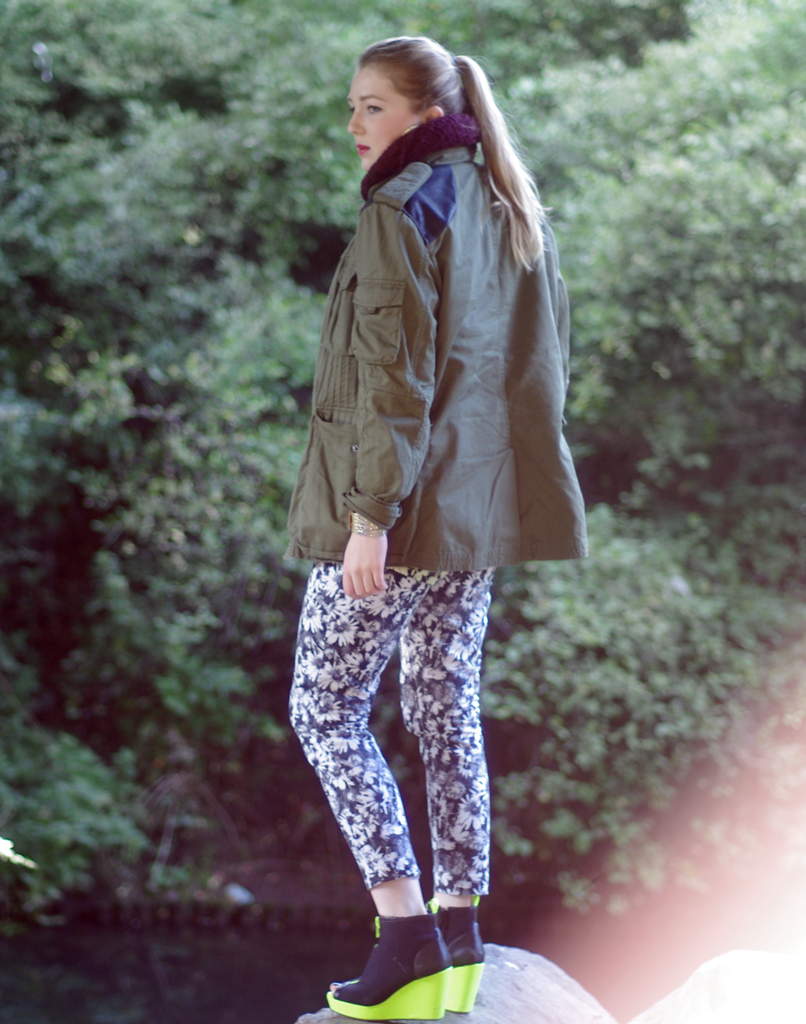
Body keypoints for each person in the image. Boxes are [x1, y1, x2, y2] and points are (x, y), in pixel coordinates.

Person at [285, 35, 587, 1021]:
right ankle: (459, 929)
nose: (352, 123)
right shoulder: (508, 204)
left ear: (423, 115)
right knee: (443, 703)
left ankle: (404, 929)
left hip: (404, 511)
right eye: (350, 105)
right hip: (476, 512)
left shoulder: (402, 208)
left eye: (371, 106)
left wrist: (369, 518)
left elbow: (392, 379)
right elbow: (543, 369)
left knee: (324, 707)